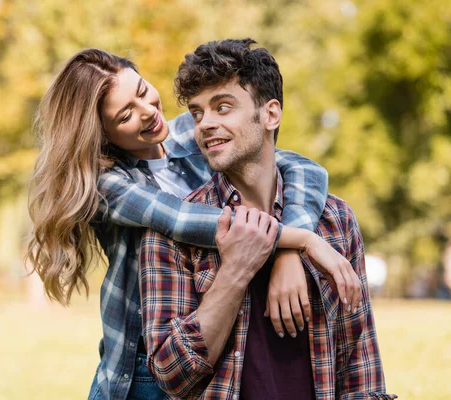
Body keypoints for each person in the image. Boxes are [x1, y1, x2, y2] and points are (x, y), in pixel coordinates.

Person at [27, 49, 360, 400]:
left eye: (142, 91)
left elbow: (301, 168)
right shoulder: (107, 185)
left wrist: (290, 251)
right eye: (126, 115)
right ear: (103, 134)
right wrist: (302, 240)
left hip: (215, 343)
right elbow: (185, 220)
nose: (148, 112)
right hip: (144, 371)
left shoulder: (191, 131)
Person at [140, 38, 396, 400]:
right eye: (197, 113)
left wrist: (287, 249)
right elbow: (172, 376)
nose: (205, 124)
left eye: (222, 107)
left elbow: (360, 369)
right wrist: (235, 271)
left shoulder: (336, 221)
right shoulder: (170, 233)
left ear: (271, 114)